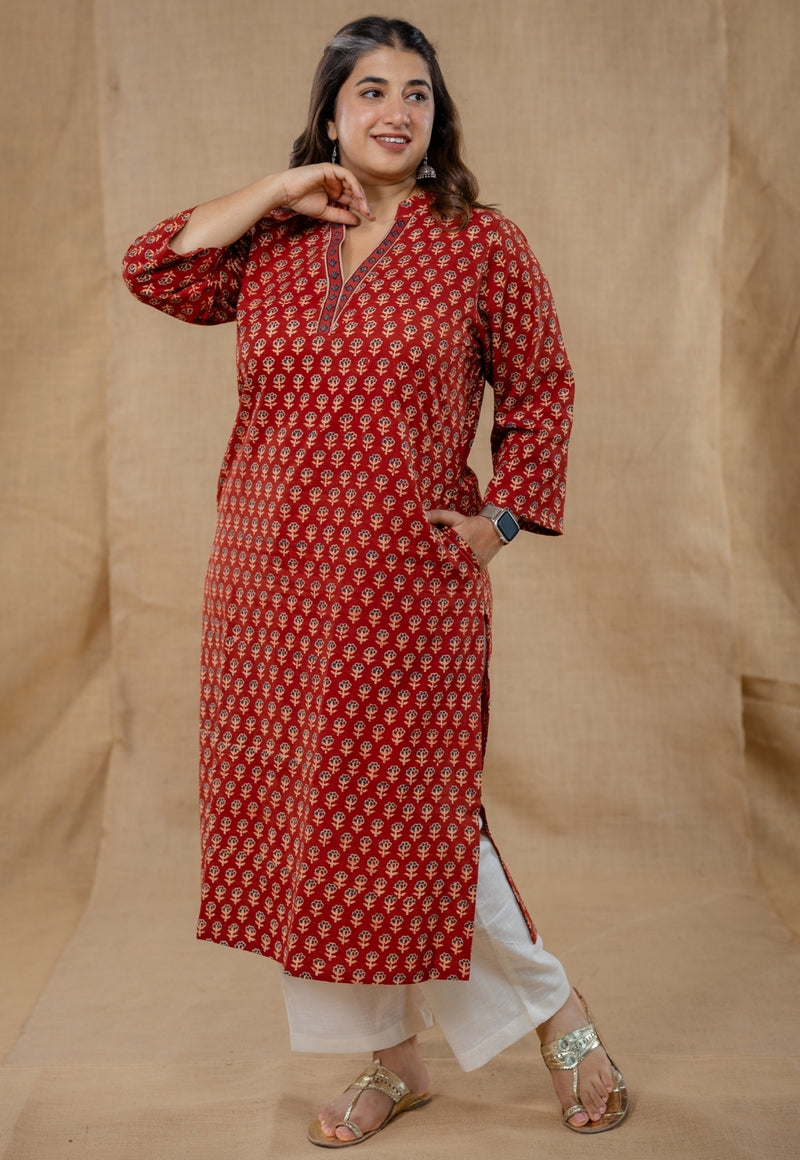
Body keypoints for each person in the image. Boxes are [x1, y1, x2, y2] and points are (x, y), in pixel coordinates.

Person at [122, 14, 628, 1147]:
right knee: (309, 815)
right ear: (331, 113)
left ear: (437, 117)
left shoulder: (479, 243)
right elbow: (153, 266)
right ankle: (391, 1061)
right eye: (371, 91)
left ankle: (560, 1018)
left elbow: (542, 388)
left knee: (415, 810)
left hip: (401, 583)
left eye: (416, 93)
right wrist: (278, 189)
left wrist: (500, 519)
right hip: (267, 578)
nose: (397, 111)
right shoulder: (276, 242)